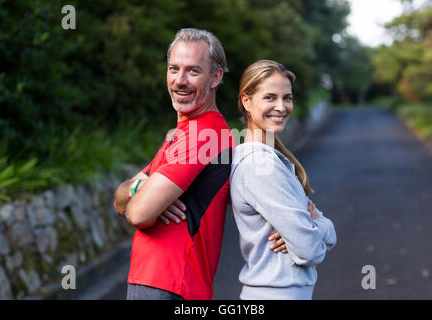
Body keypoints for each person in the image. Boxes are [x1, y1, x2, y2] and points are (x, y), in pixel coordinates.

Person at [112, 29, 285, 300]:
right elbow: (121, 198)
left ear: (216, 77)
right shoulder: (183, 134)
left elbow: (138, 215)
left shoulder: (205, 136)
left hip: (170, 283)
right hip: (158, 282)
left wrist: (143, 196)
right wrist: (139, 191)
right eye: (173, 69)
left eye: (193, 71)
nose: (179, 80)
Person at [230, 60, 337, 300]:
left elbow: (307, 237)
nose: (281, 106)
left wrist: (310, 226)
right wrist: (318, 224)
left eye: (287, 98)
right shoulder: (261, 165)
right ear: (246, 101)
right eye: (270, 97)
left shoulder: (266, 158)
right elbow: (308, 249)